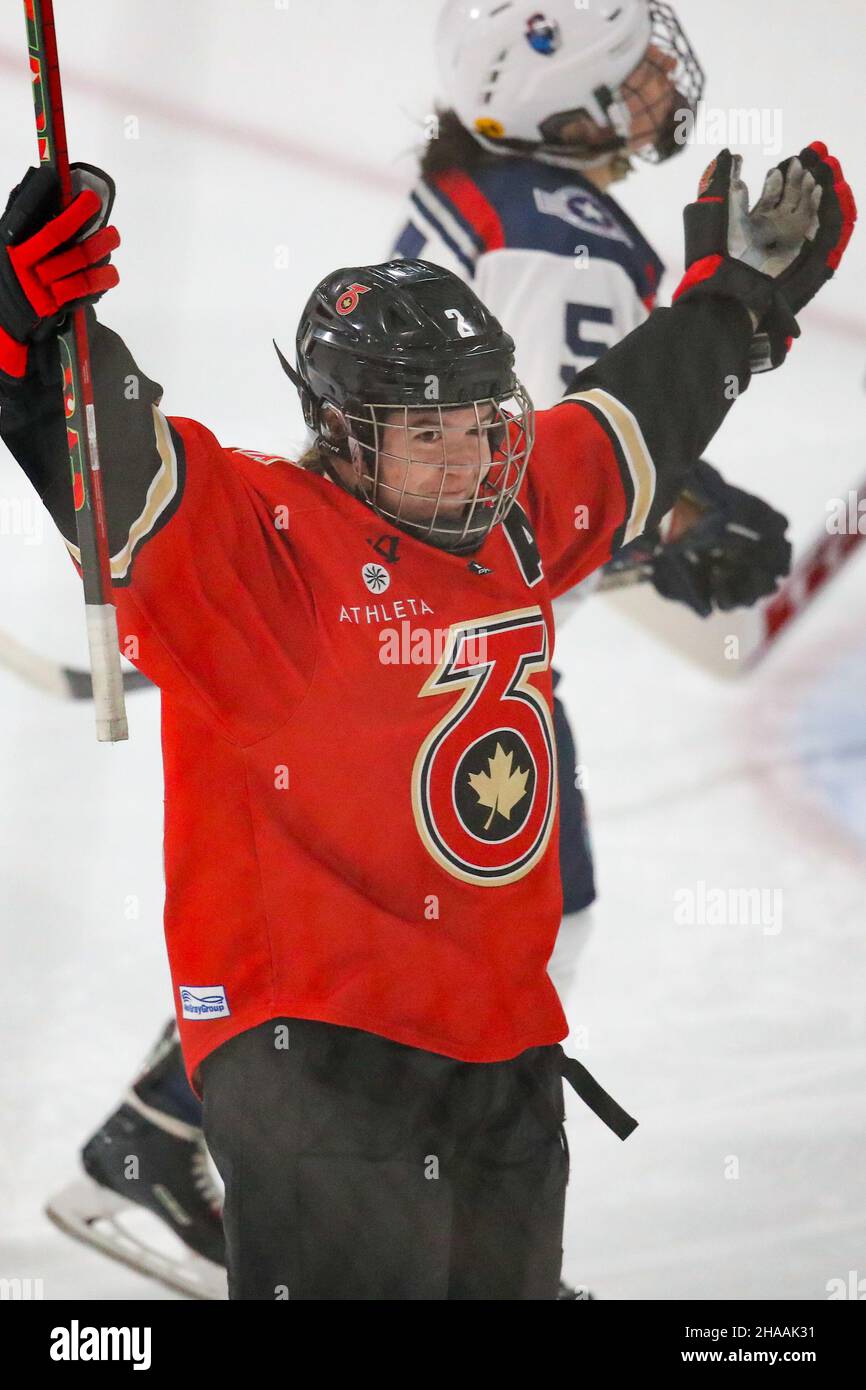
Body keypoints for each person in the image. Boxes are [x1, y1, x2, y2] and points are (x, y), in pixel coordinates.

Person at [0, 137, 853, 1297]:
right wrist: (32, 339)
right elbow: (111, 458)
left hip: (501, 1053)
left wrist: (739, 303)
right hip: (318, 1060)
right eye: (427, 432)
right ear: (345, 434)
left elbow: (627, 424)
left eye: (482, 420)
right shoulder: (258, 543)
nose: (468, 458)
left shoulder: (511, 509)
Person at [394, 0, 794, 973]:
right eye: (631, 65)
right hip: (457, 670)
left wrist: (674, 503)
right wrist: (672, 520)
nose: (661, 77)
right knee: (531, 919)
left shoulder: (481, 197)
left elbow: (495, 442)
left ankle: (174, 1113)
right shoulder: (563, 241)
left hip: (406, 630)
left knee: (383, 913)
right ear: (556, 94)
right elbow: (535, 474)